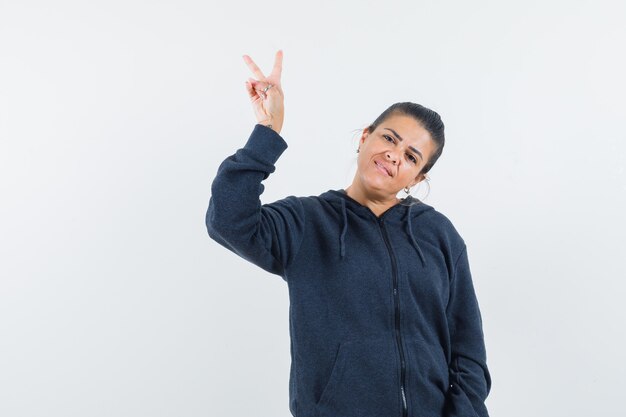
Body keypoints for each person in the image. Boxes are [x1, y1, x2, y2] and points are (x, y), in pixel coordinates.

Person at [205, 50, 492, 417]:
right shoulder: (307, 221)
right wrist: (267, 132)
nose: (394, 155)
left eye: (411, 156)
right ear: (365, 137)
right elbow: (228, 221)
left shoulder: (438, 234)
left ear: (418, 178)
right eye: (389, 138)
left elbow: (468, 350)